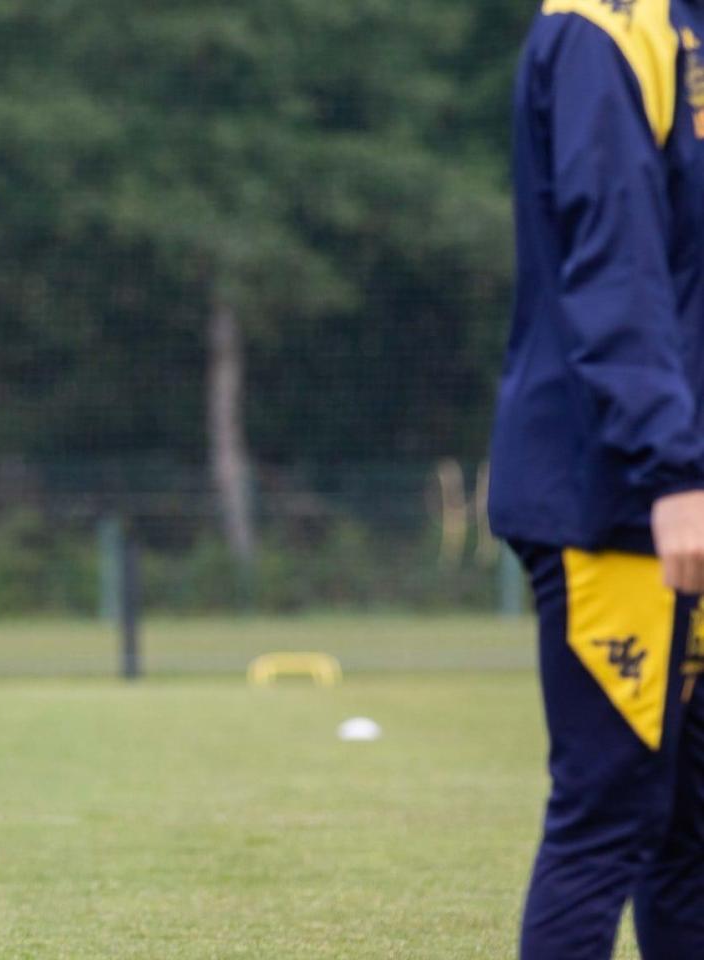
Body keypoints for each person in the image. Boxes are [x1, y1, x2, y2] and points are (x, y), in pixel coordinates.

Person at [490, 2, 704, 957]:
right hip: (618, 500)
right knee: (611, 813)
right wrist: (675, 473)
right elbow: (616, 264)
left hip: (675, 481)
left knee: (690, 827)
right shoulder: (607, 30)